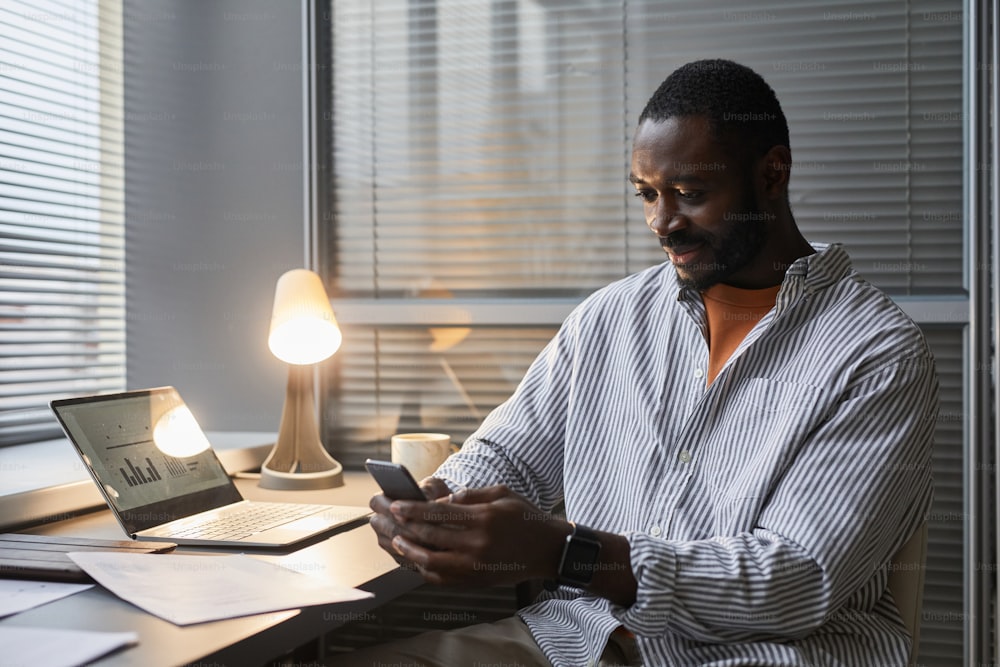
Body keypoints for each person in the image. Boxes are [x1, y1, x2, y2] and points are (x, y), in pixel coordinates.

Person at [344, 59, 938, 666]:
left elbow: (794, 580)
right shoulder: (609, 318)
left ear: (772, 174)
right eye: (648, 194)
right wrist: (440, 507)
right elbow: (510, 455)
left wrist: (568, 554)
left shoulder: (878, 353)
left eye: (691, 195)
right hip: (572, 642)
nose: (663, 223)